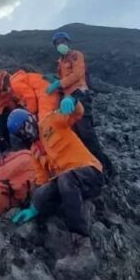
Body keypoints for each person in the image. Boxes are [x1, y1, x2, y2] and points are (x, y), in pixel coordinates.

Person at [6, 105, 105, 237]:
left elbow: (75, 114)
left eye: (27, 127)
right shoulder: (34, 152)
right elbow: (42, 180)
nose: (27, 133)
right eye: (22, 133)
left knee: (65, 179)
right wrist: (34, 206)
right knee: (42, 193)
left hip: (90, 174)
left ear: (31, 118)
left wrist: (73, 103)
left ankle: (79, 234)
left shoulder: (51, 121)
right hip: (71, 186)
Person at [45, 31, 116, 180]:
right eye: (57, 43)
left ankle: (107, 169)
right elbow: (65, 80)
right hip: (69, 98)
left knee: (87, 133)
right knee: (77, 135)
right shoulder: (61, 62)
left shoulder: (76, 55)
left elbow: (77, 74)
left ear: (68, 42)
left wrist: (60, 82)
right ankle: (91, 167)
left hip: (80, 95)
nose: (60, 45)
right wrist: (56, 81)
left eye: (62, 41)